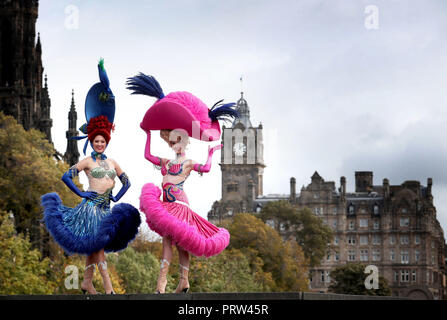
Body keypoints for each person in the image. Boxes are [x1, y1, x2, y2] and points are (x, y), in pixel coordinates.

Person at [127, 73, 239, 293]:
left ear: (184, 141)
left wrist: (212, 152)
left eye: (176, 141)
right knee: (168, 243)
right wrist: (146, 133)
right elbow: (148, 155)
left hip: (179, 205)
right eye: (171, 142)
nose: (173, 145)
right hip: (166, 204)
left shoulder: (187, 162)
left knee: (180, 243)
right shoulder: (168, 162)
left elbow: (205, 169)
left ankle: (179, 281)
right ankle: (166, 282)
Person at [41, 60, 141, 294]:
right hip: (90, 208)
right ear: (92, 141)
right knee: (98, 247)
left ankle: (86, 282)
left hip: (105, 208)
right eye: (96, 141)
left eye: (102, 141)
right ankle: (107, 286)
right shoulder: (87, 161)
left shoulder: (112, 162)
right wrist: (81, 192)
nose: (99, 144)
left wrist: (117, 197)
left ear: (106, 141)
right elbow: (66, 176)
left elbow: (127, 181)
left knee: (96, 246)